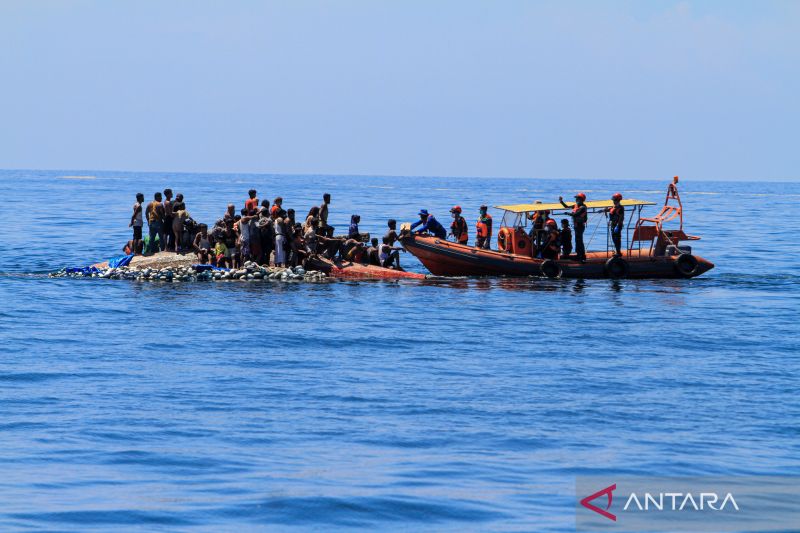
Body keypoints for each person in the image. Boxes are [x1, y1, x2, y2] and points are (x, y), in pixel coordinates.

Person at [560, 192, 588, 262]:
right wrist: (561, 201)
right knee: (577, 240)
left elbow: (576, 214)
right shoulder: (576, 205)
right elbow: (566, 207)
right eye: (576, 199)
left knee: (579, 241)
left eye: (577, 198)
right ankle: (579, 254)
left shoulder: (583, 208)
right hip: (576, 226)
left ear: (581, 199)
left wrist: (568, 213)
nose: (576, 200)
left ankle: (581, 255)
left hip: (580, 226)